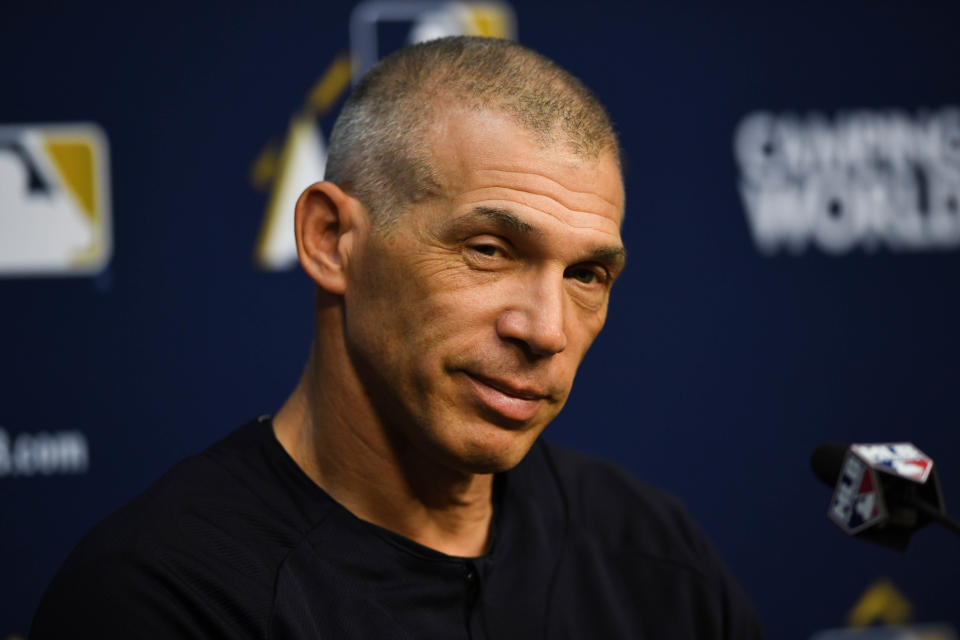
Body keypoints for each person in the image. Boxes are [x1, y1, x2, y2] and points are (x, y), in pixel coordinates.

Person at [31, 36, 764, 638]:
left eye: (586, 275)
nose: (546, 330)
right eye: (489, 249)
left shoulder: (651, 553)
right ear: (330, 240)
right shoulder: (159, 598)